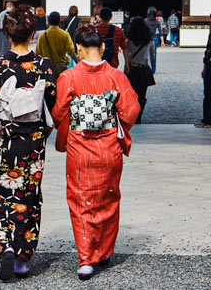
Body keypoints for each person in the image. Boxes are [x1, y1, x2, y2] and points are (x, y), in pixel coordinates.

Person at [0, 4, 57, 282]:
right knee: (27, 198)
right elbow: (53, 106)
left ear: (7, 35)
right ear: (33, 33)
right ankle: (21, 257)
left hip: (2, 144)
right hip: (31, 144)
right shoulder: (43, 67)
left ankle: (4, 244)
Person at [51, 25, 141, 281]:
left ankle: (86, 259)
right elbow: (131, 111)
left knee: (80, 201)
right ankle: (104, 251)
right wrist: (112, 122)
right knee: (108, 199)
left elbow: (58, 114)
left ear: (78, 49)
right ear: (102, 48)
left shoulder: (69, 77)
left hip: (80, 148)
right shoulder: (116, 77)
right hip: (109, 146)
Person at [125, 16, 155, 124]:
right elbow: (152, 55)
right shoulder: (149, 40)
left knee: (131, 95)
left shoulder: (129, 40)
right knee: (142, 96)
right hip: (144, 69)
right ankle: (139, 117)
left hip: (132, 68)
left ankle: (132, 115)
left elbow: (127, 55)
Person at [36, 11, 77, 76]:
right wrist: (77, 62)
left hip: (47, 67)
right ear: (59, 21)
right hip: (61, 66)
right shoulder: (65, 34)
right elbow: (71, 50)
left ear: (49, 21)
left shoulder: (43, 35)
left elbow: (38, 52)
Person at [95, 7, 129, 73]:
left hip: (97, 62)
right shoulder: (118, 30)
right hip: (113, 63)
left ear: (100, 17)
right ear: (111, 17)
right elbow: (124, 47)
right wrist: (126, 63)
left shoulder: (94, 30)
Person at [145, 7, 161, 74]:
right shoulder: (157, 22)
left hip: (146, 39)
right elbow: (160, 32)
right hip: (154, 39)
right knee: (153, 55)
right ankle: (153, 69)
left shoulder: (145, 21)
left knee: (145, 54)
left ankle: (147, 68)